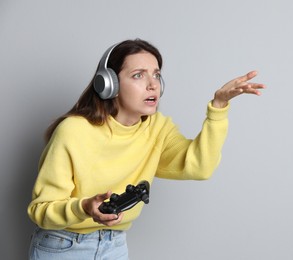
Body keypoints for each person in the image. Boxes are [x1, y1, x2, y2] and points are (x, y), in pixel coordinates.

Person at [27, 38, 265, 259]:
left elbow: (200, 167)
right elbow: (41, 210)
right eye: (139, 75)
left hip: (114, 244)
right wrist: (84, 207)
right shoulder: (74, 131)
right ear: (109, 83)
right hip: (63, 244)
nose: (153, 85)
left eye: (156, 75)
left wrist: (218, 107)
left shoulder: (158, 128)